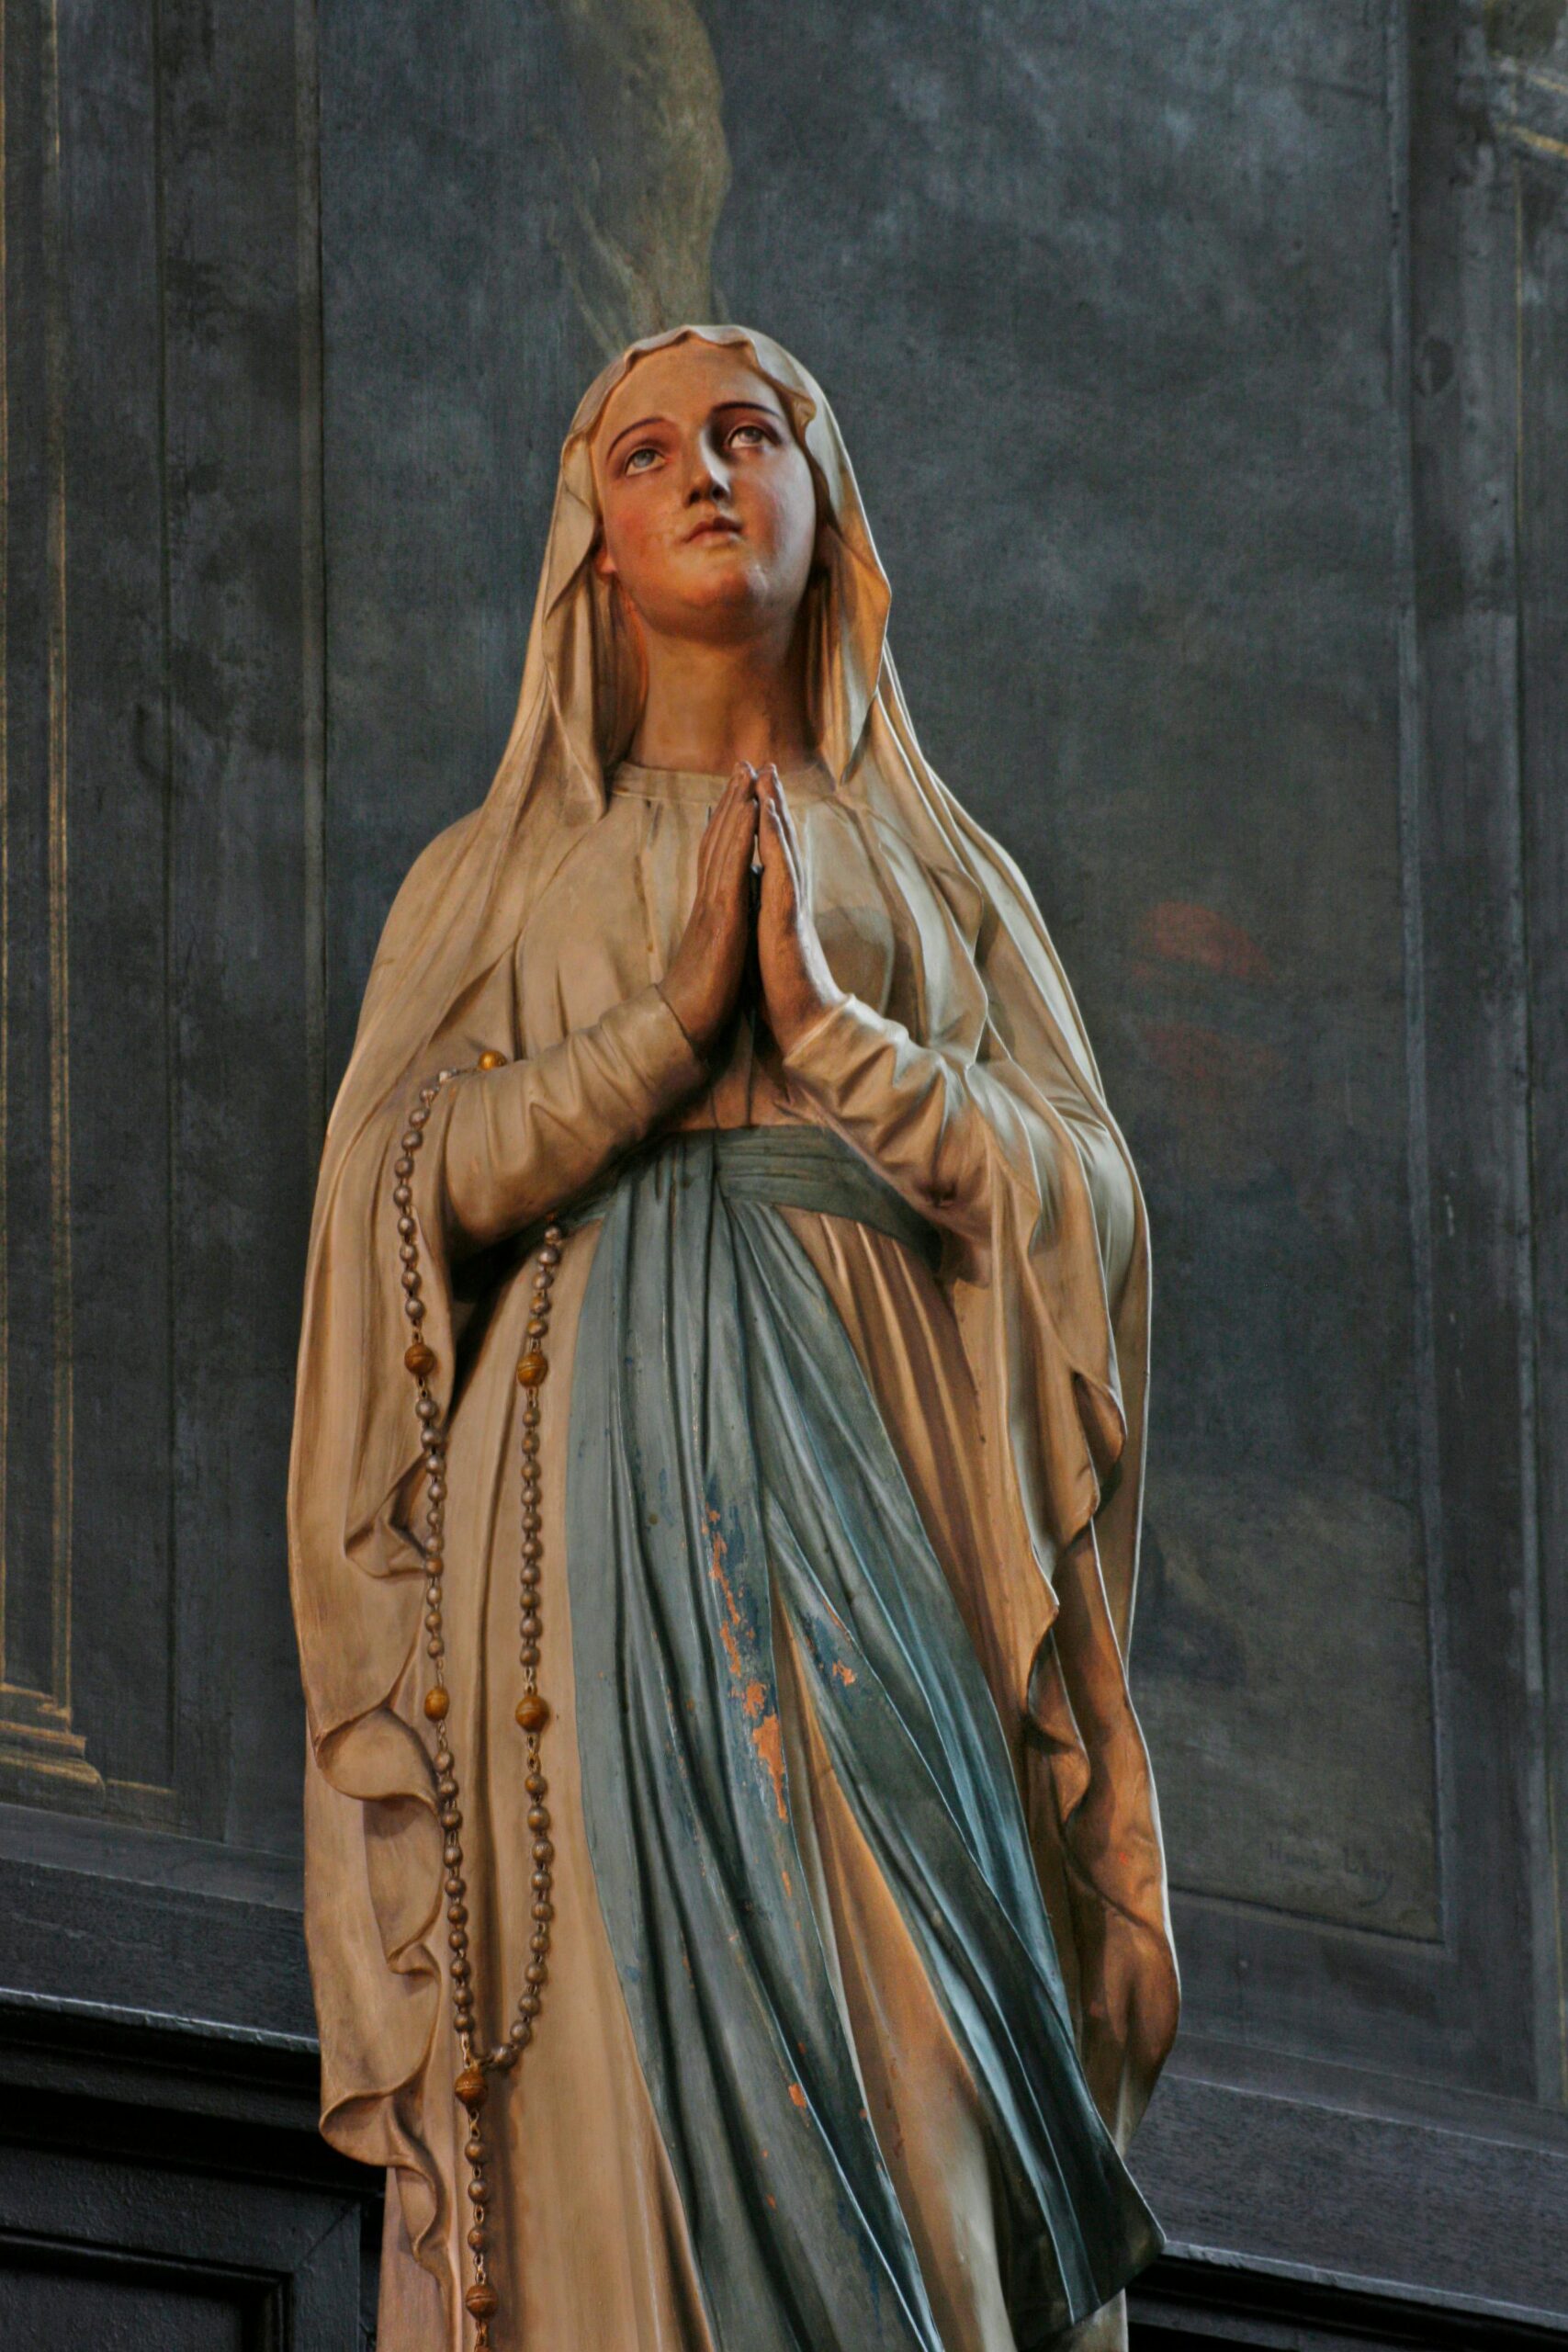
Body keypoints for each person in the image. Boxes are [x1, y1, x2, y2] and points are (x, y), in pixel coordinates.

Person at [288, 325, 1179, 2352]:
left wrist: (848, 1053)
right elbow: (388, 1200)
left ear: (824, 509)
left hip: (885, 1486)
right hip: (586, 1505)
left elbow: (1090, 1214)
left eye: (748, 434)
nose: (702, 473)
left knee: (923, 2046)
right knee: (615, 2046)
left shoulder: (937, 870)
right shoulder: (499, 875)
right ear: (587, 548)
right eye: (645, 451)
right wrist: (662, 1035)